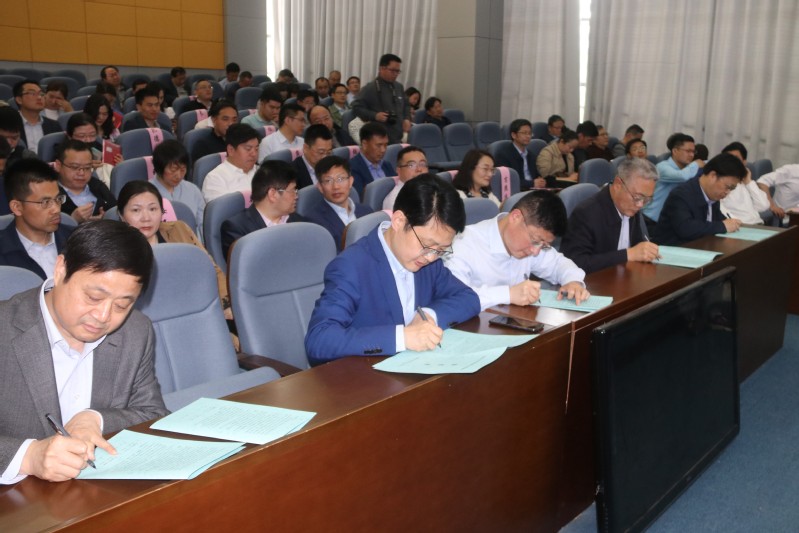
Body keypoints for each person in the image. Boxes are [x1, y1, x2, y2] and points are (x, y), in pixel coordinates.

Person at [0, 219, 168, 484]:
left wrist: (96, 419)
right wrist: (27, 456)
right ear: (61, 270)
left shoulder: (135, 331)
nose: (103, 316)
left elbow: (153, 413)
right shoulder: (5, 329)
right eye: (93, 297)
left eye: (122, 305)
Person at [305, 174, 481, 364]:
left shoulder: (429, 260)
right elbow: (319, 339)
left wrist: (429, 315)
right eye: (427, 245)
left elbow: (468, 298)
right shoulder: (351, 266)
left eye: (441, 249)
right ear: (398, 221)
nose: (431, 257)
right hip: (366, 375)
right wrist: (403, 337)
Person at [446, 190, 588, 311]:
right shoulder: (462, 244)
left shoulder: (533, 244)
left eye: (544, 245)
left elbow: (558, 263)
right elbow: (453, 298)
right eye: (535, 241)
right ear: (515, 217)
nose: (536, 252)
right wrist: (508, 294)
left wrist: (573, 282)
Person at [117, 180, 230, 316]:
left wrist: (226, 305)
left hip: (195, 307)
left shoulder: (179, 230)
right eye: (136, 210)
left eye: (153, 209)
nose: (146, 218)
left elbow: (210, 268)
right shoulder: (117, 250)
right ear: (122, 216)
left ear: (162, 211)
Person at [560, 158, 661, 273]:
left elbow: (638, 246)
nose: (640, 205)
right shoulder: (586, 213)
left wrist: (646, 251)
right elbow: (575, 263)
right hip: (593, 281)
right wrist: (628, 254)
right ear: (618, 185)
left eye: (647, 199)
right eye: (637, 197)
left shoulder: (631, 207)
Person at [0, 158, 74, 279]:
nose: (56, 209)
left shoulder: (77, 241)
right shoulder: (3, 251)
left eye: (58, 199)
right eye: (45, 202)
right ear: (17, 207)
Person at [652, 152, 745, 245]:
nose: (727, 192)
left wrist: (732, 223)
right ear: (713, 175)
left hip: (699, 247)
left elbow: (716, 220)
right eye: (727, 187)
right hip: (671, 250)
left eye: (732, 189)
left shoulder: (713, 194)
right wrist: (723, 226)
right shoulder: (681, 194)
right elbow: (686, 228)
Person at [220, 160, 305, 259]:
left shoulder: (298, 221)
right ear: (273, 194)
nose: (296, 196)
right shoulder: (237, 229)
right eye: (292, 191)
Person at [305, 156, 373, 252]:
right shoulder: (314, 221)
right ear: (320, 187)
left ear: (350, 181)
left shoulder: (367, 211)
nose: (336, 186)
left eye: (340, 179)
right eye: (328, 181)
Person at [643, 132, 704, 223]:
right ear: (675, 151)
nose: (692, 155)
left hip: (669, 221)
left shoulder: (688, 170)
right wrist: (695, 164)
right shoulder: (663, 167)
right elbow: (682, 176)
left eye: (693, 152)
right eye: (688, 151)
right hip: (650, 220)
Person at [351, 53, 411, 144]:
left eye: (398, 71)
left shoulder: (399, 87)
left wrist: (407, 118)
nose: (395, 74)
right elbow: (356, 107)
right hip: (379, 138)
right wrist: (374, 115)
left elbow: (406, 105)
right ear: (382, 68)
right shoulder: (370, 88)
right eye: (392, 70)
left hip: (398, 136)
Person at [149, 140, 205, 233]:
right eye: (173, 170)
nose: (178, 176)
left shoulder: (193, 190)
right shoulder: (146, 193)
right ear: (159, 168)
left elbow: (202, 225)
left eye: (183, 170)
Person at [55, 140, 116, 223]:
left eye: (87, 168)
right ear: (58, 166)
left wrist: (107, 218)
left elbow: (117, 213)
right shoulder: (49, 195)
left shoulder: (98, 186)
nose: (81, 173)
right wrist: (72, 220)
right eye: (74, 167)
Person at [202, 123, 262, 202]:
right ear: (231, 150)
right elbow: (222, 209)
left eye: (256, 149)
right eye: (248, 149)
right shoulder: (215, 179)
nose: (254, 154)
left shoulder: (262, 172)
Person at [719, 142, 770, 225]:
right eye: (728, 159)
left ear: (744, 162)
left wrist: (749, 182)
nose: (732, 163)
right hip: (741, 227)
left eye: (736, 159)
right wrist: (737, 223)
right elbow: (719, 210)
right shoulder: (721, 183)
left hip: (758, 225)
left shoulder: (746, 182)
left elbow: (764, 206)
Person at [14, 80, 62, 154]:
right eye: (32, 93)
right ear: (19, 100)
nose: (39, 97)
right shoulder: (9, 125)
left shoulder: (54, 125)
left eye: (41, 94)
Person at [350, 122, 395, 198]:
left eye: (385, 145)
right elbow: (361, 198)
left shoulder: (387, 165)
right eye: (379, 145)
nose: (383, 150)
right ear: (364, 144)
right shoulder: (352, 168)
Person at [494, 118, 541, 189]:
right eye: (524, 133)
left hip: (533, 190)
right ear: (514, 135)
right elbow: (507, 181)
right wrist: (531, 183)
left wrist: (541, 181)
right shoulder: (503, 155)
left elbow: (536, 175)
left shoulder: (531, 155)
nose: (528, 136)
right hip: (517, 191)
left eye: (530, 133)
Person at [383, 145, 428, 210]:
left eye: (422, 164)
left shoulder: (431, 189)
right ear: (398, 170)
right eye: (411, 165)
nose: (419, 169)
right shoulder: (395, 200)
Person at [291, 124, 334, 189]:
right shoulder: (292, 174)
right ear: (305, 148)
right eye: (321, 152)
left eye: (329, 153)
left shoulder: (334, 167)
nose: (325, 157)